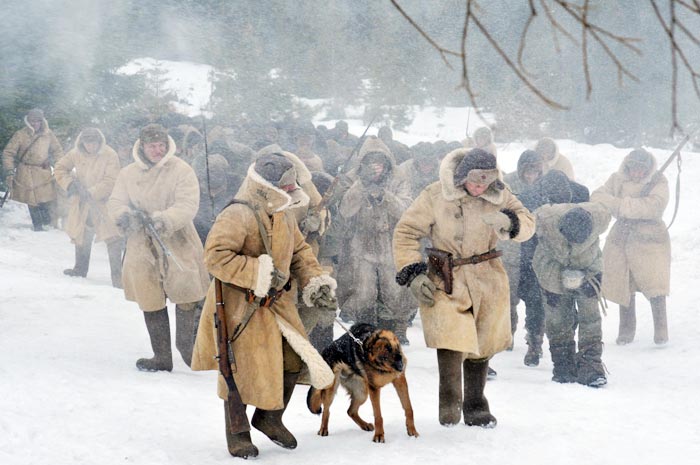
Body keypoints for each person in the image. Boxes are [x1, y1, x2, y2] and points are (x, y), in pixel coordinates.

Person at [191, 152, 337, 459]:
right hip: (239, 306)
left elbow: (299, 251)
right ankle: (238, 432)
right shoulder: (237, 214)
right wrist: (260, 272)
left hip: (276, 305)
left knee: (293, 360)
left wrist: (315, 280)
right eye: (287, 184)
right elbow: (215, 257)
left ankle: (269, 418)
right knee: (240, 371)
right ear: (270, 186)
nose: (292, 188)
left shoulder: (283, 212)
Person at [393, 148, 535, 427]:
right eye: (475, 181)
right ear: (460, 176)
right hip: (445, 276)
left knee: (483, 342)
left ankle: (476, 405)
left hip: (487, 275)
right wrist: (413, 272)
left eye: (485, 182)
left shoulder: (500, 194)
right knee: (450, 337)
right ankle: (449, 403)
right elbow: (406, 231)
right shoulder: (436, 194)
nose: (480, 187)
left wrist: (511, 221)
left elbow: (528, 223)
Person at [107, 124, 210, 372]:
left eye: (162, 145)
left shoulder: (181, 170)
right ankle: (161, 356)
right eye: (152, 145)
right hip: (140, 242)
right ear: (142, 146)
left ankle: (189, 349)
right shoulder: (128, 173)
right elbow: (116, 201)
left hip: (178, 239)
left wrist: (163, 219)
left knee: (186, 292)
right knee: (149, 295)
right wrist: (125, 217)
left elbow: (187, 204)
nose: (158, 150)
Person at [591, 148, 671, 345]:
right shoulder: (617, 179)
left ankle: (661, 331)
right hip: (622, 237)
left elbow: (653, 207)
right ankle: (626, 331)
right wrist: (623, 206)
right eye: (634, 169)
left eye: (641, 170)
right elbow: (598, 195)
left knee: (655, 285)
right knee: (623, 284)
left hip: (650, 237)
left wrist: (621, 206)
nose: (637, 173)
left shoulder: (659, 181)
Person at [339, 137, 413, 344]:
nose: (375, 166)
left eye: (379, 161)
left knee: (395, 291)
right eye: (370, 161)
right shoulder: (352, 179)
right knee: (363, 293)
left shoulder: (399, 179)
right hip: (361, 245)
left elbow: (405, 210)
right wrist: (361, 185)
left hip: (391, 243)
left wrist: (384, 194)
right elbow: (345, 210)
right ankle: (366, 333)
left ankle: (396, 331)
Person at [516, 169, 590, 366]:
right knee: (535, 304)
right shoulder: (529, 199)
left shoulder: (579, 197)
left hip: (568, 258)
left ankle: (566, 347)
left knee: (566, 304)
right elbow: (527, 234)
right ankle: (534, 344)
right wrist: (530, 263)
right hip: (537, 256)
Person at [532, 203, 611, 387]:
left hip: (589, 268)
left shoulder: (600, 216)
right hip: (551, 266)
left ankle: (591, 366)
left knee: (590, 317)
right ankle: (563, 365)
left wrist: (594, 278)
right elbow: (522, 226)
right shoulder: (544, 220)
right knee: (557, 318)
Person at [54, 128, 123, 287]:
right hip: (82, 203)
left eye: (94, 142)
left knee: (113, 237)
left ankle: (118, 277)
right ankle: (80, 269)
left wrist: (91, 192)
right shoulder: (75, 153)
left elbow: (111, 180)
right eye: (87, 142)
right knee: (82, 233)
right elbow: (59, 168)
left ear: (100, 142)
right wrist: (70, 184)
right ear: (82, 142)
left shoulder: (110, 155)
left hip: (105, 202)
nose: (90, 146)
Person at [501, 150, 543, 350]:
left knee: (535, 300)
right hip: (512, 250)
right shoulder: (507, 185)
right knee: (508, 298)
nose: (531, 176)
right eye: (527, 171)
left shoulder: (545, 186)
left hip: (536, 252)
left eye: (535, 172)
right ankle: (507, 336)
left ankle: (534, 341)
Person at [2, 108, 64, 231]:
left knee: (47, 198)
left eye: (37, 121)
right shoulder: (21, 134)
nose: (34, 123)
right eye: (32, 121)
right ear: (28, 121)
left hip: (43, 171)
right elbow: (8, 153)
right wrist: (9, 170)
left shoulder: (48, 134)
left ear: (42, 121)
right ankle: (38, 227)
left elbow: (57, 151)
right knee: (32, 200)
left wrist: (59, 166)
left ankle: (48, 225)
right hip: (25, 171)